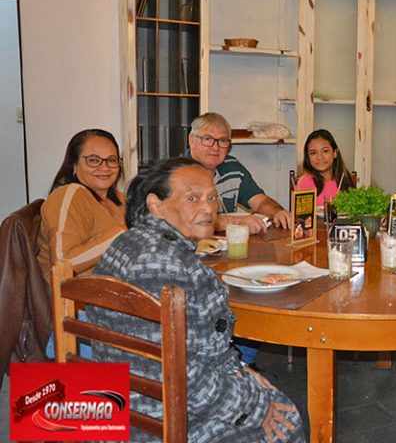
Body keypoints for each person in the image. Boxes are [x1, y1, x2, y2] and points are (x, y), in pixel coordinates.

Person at [89, 157, 305, 443]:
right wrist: (252, 406)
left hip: (124, 391)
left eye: (212, 197)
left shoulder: (131, 242)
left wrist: (240, 370)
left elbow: (184, 354)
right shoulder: (160, 264)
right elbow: (178, 373)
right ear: (156, 205)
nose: (208, 207)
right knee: (287, 420)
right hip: (154, 415)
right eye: (192, 198)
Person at [37, 129, 126, 285]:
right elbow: (62, 264)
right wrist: (120, 236)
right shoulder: (68, 195)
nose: (105, 167)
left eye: (112, 160)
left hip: (124, 289)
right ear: (74, 164)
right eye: (93, 160)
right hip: (81, 296)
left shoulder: (120, 199)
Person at [187, 112, 291, 234]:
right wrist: (236, 222)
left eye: (222, 141)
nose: (215, 147)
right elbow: (184, 221)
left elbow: (261, 201)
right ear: (192, 140)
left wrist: (277, 212)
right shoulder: (177, 174)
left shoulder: (233, 167)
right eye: (207, 139)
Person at [296, 129, 353, 204]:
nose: (320, 157)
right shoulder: (305, 182)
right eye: (313, 153)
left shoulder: (345, 178)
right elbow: (303, 211)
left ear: (335, 153)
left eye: (325, 151)